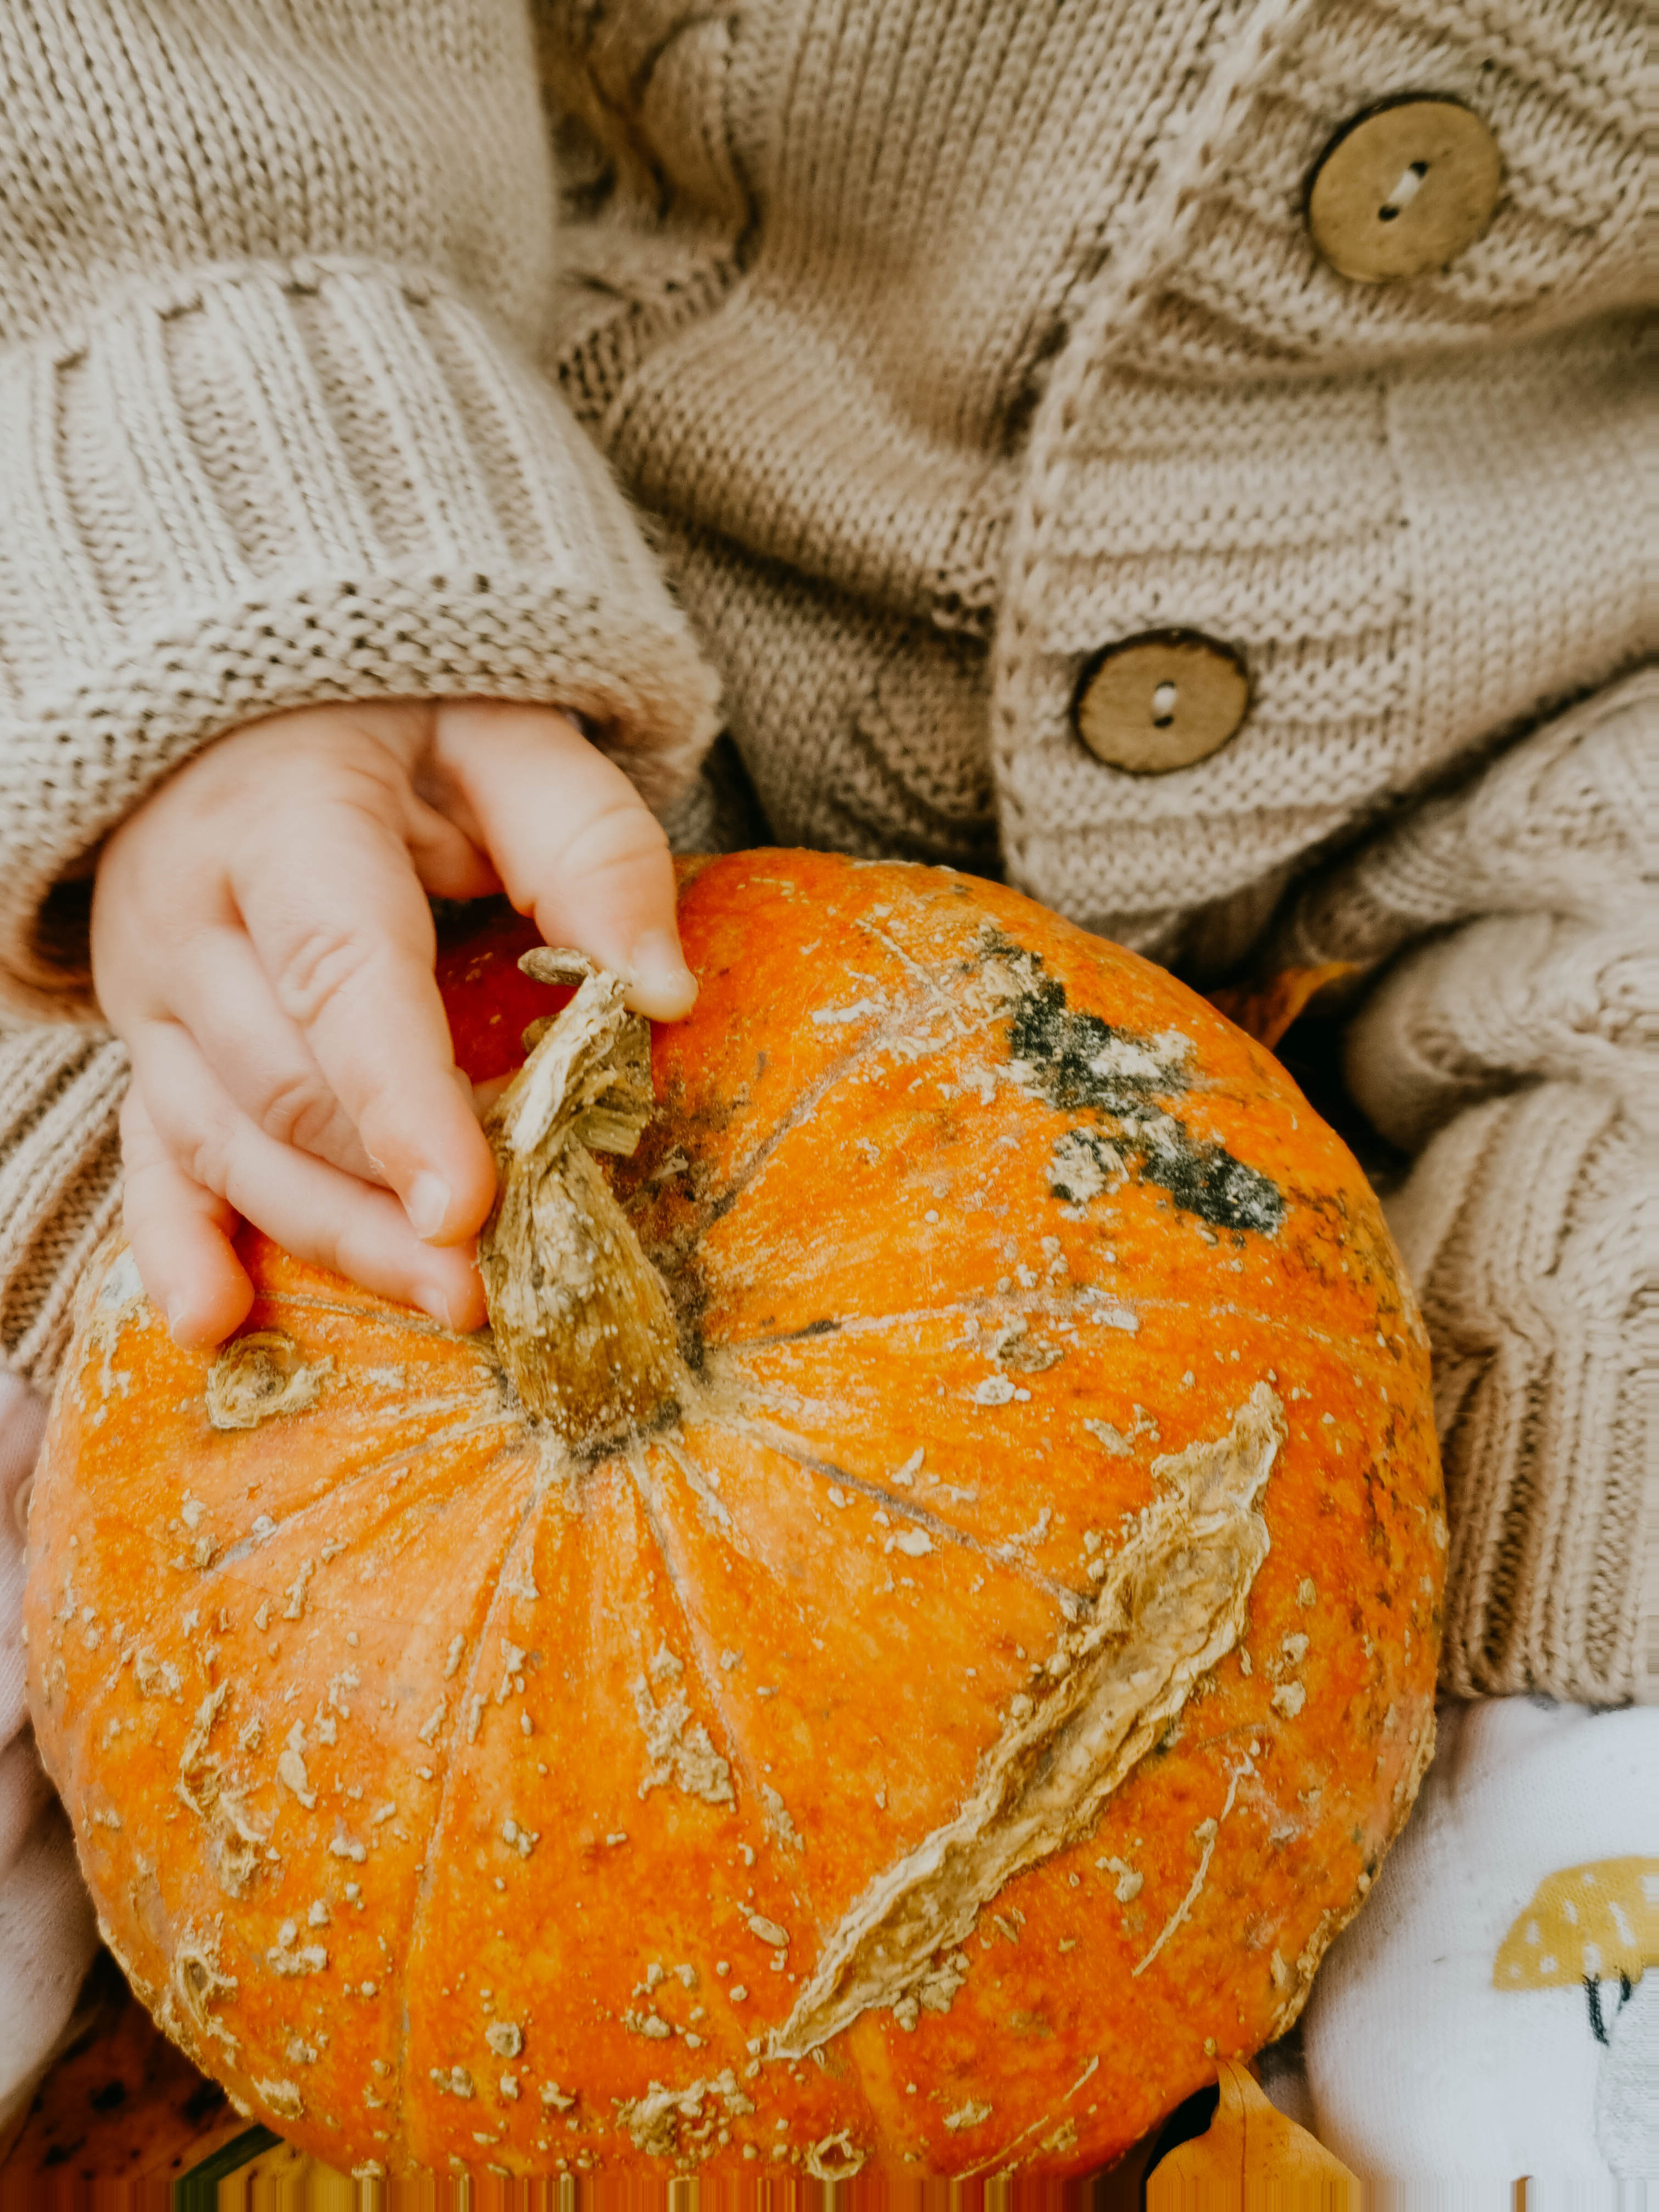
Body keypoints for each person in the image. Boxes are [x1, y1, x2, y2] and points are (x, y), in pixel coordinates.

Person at [0, 1, 1651, 2186]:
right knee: (197, 1086)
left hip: (1553, 719)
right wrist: (236, 486)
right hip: (502, 591)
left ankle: (1581, 1674)